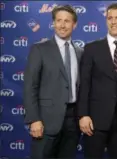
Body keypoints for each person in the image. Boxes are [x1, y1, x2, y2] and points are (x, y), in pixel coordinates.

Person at [77, 3, 117, 159]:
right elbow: (84, 84)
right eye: (109, 18)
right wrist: (83, 115)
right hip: (94, 122)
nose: (113, 22)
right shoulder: (92, 48)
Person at [23, 5, 83, 159]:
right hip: (46, 120)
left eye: (67, 21)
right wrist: (34, 119)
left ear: (74, 24)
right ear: (54, 23)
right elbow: (30, 86)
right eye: (59, 21)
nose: (62, 25)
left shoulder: (80, 52)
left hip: (73, 120)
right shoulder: (39, 49)